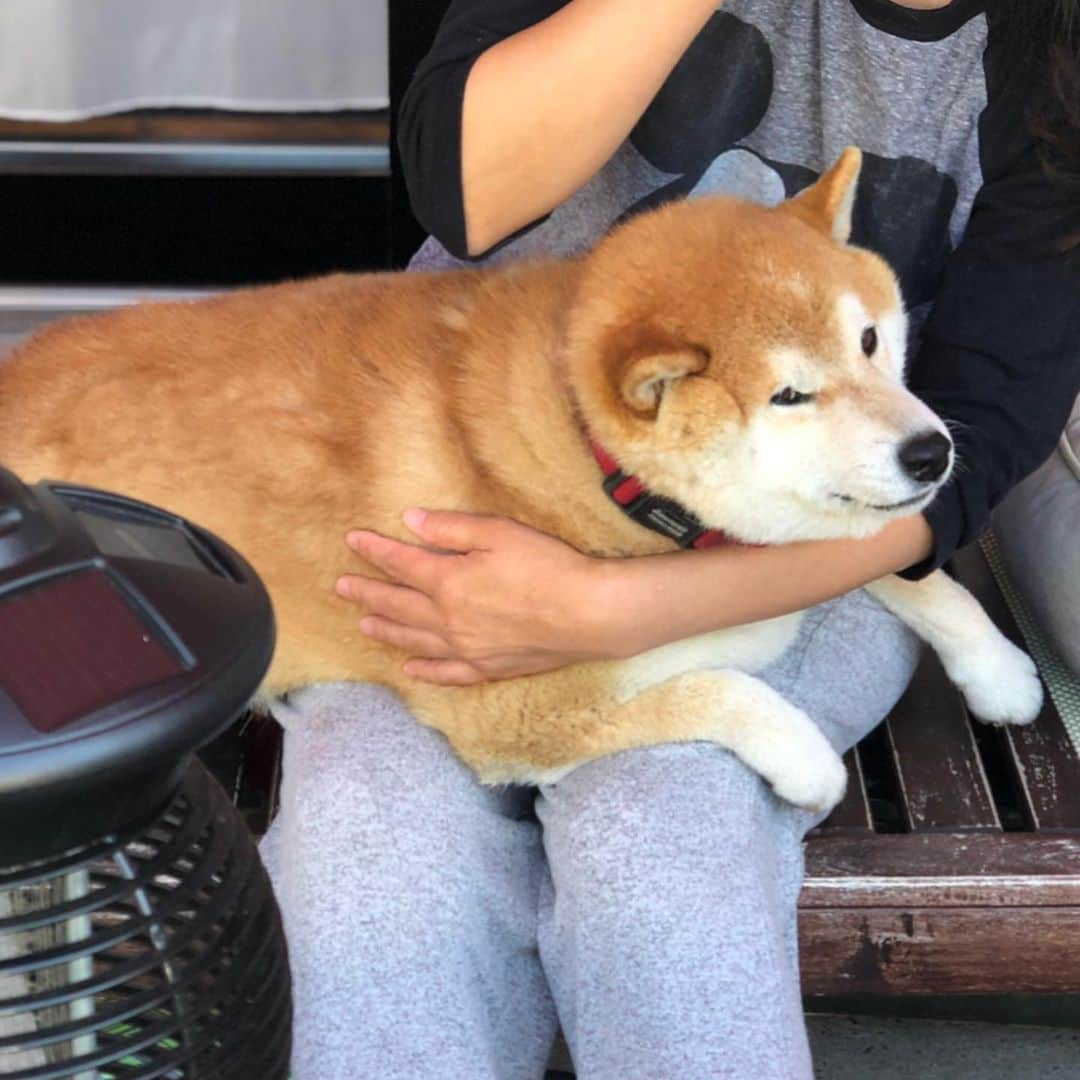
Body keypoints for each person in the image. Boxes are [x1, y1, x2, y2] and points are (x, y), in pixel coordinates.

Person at [260, 2, 1079, 1076]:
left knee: (659, 818)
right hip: (456, 471)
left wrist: (603, 611)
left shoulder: (1045, 52)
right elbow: (462, 188)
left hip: (808, 546)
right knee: (364, 826)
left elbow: (983, 426)